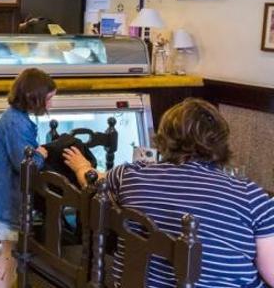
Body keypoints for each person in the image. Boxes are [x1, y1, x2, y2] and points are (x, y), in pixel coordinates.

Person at [64, 98, 274, 287]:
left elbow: (92, 183)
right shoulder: (252, 197)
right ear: (220, 142)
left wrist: (81, 166)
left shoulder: (128, 176)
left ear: (164, 137)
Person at [0, 68, 54, 288]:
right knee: (12, 251)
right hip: (2, 199)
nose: (52, 104)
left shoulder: (15, 117)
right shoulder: (17, 124)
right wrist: (41, 155)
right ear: (35, 98)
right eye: (50, 98)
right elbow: (24, 164)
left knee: (8, 245)